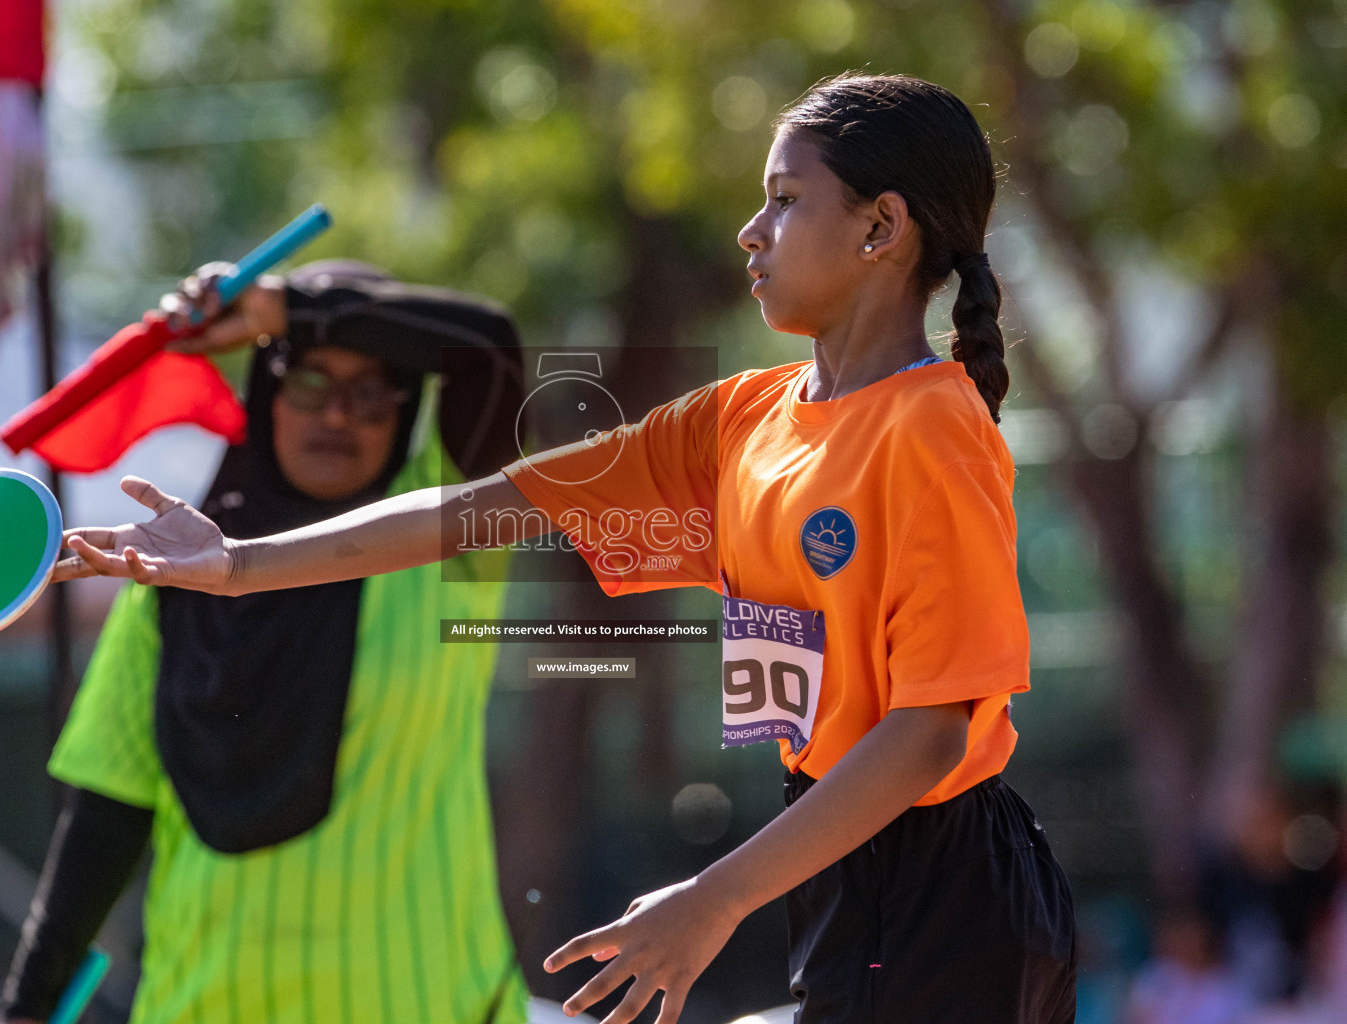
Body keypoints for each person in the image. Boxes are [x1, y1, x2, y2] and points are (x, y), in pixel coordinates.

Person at [53, 73, 1079, 1024]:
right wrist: (238, 562)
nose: (749, 230)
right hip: (833, 859)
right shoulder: (746, 417)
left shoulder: (933, 426)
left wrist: (711, 900)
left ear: (882, 227)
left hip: (945, 887)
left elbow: (929, 734)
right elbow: (486, 508)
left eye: (784, 200)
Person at [0, 262, 532, 1024]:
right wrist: (24, 1011)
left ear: (409, 408)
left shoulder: (451, 539)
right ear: (265, 397)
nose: (339, 416)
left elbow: (490, 348)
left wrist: (290, 311)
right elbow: (104, 824)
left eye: (373, 393)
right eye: (309, 383)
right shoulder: (165, 584)